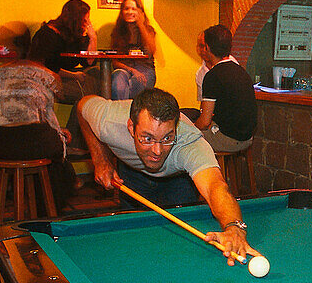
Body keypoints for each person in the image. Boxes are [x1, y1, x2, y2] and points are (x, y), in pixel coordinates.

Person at [77, 87, 257, 264]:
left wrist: (234, 227)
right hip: (131, 177)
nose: (157, 150)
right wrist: (100, 159)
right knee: (134, 245)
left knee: (181, 251)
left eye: (167, 138)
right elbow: (82, 106)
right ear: (131, 128)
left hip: (177, 181)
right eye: (147, 138)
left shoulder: (190, 143)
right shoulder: (109, 121)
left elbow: (215, 187)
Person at [0, 59, 77, 209]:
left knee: (39, 142)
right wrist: (59, 133)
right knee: (55, 154)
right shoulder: (48, 75)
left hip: (3, 145)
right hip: (37, 143)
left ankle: (24, 199)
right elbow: (51, 110)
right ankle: (50, 209)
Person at [27, 0, 100, 148]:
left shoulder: (73, 35)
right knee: (87, 95)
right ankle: (73, 141)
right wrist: (74, 76)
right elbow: (49, 66)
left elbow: (89, 61)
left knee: (95, 78)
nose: (87, 22)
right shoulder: (49, 34)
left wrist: (93, 38)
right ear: (76, 18)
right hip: (42, 80)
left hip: (61, 76)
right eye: (85, 19)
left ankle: (73, 139)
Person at [192, 24, 256, 152]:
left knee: (187, 138)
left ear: (208, 48)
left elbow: (204, 122)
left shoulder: (212, 76)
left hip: (228, 139)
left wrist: (192, 127)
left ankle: (206, 171)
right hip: (248, 138)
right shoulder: (241, 71)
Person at [109, 0, 157, 100]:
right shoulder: (117, 32)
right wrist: (131, 70)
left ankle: (129, 113)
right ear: (122, 12)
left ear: (140, 12)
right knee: (117, 80)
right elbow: (114, 61)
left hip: (145, 68)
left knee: (137, 83)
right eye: (126, 9)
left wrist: (141, 25)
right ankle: (120, 113)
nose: (130, 12)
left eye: (134, 9)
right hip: (124, 68)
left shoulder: (148, 30)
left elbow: (152, 50)